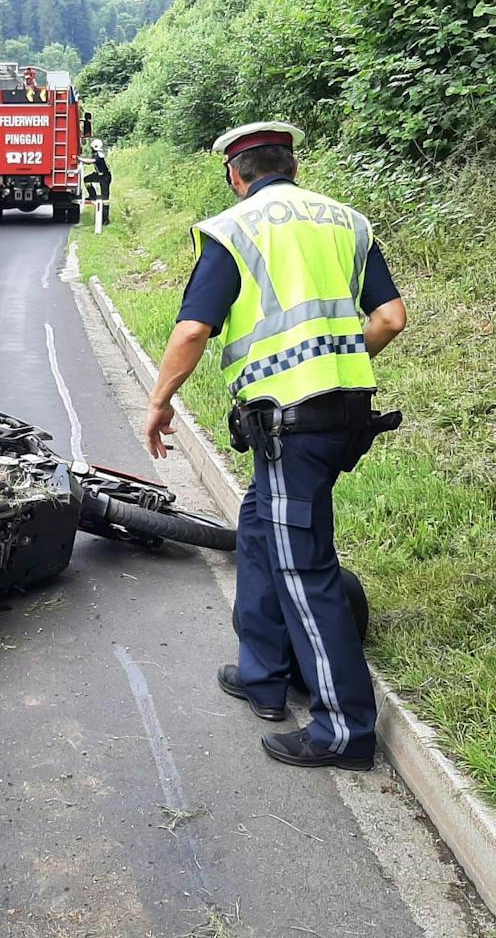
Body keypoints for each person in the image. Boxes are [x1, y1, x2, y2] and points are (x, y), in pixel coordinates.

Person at [142, 121, 406, 771]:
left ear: (237, 174)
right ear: (292, 163)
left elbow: (193, 330)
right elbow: (391, 317)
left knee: (304, 568)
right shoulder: (348, 221)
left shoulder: (234, 229)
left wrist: (158, 403)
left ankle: (343, 731)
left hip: (293, 424)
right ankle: (264, 673)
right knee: (260, 526)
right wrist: (340, 359)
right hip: (343, 414)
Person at [84, 139, 112, 203]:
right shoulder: (98, 153)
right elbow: (89, 162)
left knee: (105, 199)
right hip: (100, 175)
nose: (91, 149)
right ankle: (92, 195)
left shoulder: (99, 155)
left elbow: (91, 161)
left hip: (105, 177)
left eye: (92, 148)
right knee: (87, 179)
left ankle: (105, 211)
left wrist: (80, 159)